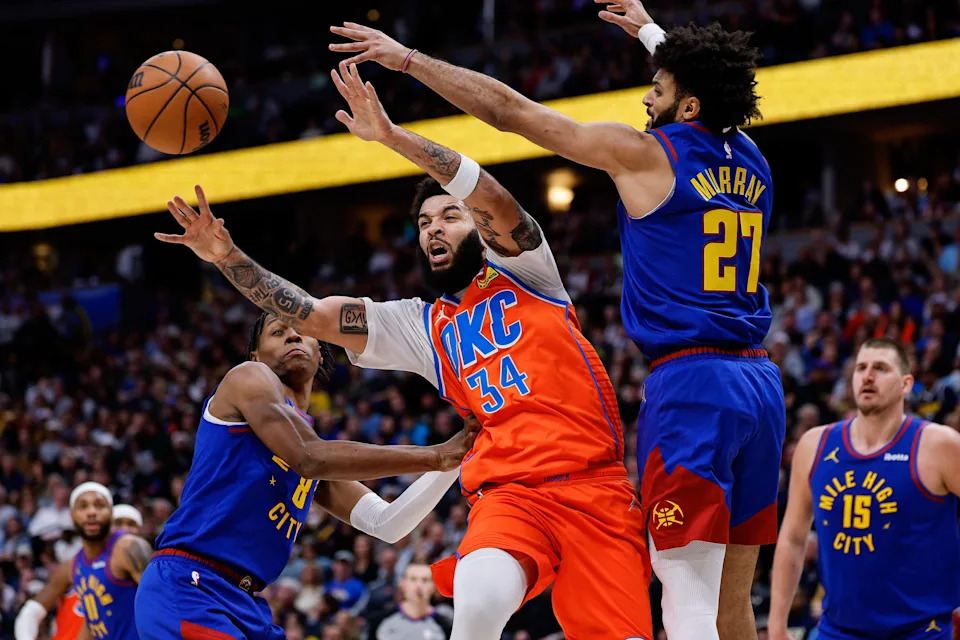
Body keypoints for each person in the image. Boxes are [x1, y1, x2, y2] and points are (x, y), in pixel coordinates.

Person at [328, 2, 781, 638]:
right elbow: (708, 84)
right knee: (736, 604)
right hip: (760, 386)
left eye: (658, 89)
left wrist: (406, 61)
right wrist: (652, 32)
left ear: (689, 106)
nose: (646, 98)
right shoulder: (751, 158)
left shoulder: (646, 154)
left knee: (688, 594)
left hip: (695, 385)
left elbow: (511, 113)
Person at [153, 64, 650, 640]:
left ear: (477, 227)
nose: (433, 229)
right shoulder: (418, 325)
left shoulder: (527, 271)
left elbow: (490, 193)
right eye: (423, 222)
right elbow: (311, 313)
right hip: (509, 493)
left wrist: (393, 137)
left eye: (449, 216)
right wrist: (226, 257)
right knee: (478, 602)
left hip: (595, 486)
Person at [133, 311, 475, 640]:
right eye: (278, 332)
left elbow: (386, 523)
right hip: (190, 584)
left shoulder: (310, 447)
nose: (293, 335)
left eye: (302, 330)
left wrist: (454, 460)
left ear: (321, 353)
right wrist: (437, 454)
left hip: (245, 602)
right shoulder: (248, 378)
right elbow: (310, 457)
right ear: (256, 355)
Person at [769, 338, 960, 639]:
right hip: (837, 631)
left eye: (881, 368)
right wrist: (777, 626)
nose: (868, 376)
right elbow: (792, 539)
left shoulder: (939, 445)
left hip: (921, 631)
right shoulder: (814, 445)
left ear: (906, 384)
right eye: (861, 368)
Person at [14, 504, 145, 640]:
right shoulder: (76, 565)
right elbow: (32, 610)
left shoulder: (145, 572)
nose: (124, 529)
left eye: (131, 524)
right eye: (118, 523)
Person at [367, 562, 453, 640]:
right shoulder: (380, 621)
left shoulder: (446, 626)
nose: (419, 585)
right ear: (402, 584)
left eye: (425, 580)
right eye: (413, 579)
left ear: (433, 587)